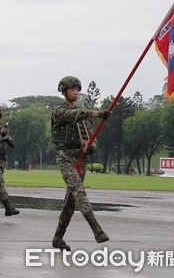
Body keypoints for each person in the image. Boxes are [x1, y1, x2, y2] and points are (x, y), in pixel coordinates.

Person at [51, 76, 110, 251]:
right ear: (64, 91)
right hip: (65, 157)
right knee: (78, 190)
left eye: (77, 89)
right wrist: (98, 113)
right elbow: (73, 115)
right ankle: (96, 228)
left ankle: (58, 238)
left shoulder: (83, 113)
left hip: (80, 158)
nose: (75, 92)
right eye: (72, 89)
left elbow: (92, 136)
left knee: (71, 201)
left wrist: (90, 146)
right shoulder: (59, 111)